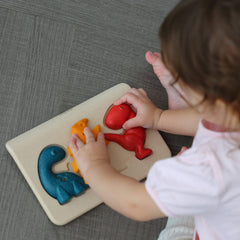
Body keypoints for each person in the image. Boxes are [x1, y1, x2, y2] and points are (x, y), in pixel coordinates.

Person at [69, 0, 240, 239]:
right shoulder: (229, 112)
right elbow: (223, 120)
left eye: (181, 77)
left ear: (210, 99)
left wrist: (94, 165)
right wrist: (160, 118)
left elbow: (136, 204)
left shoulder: (211, 169)